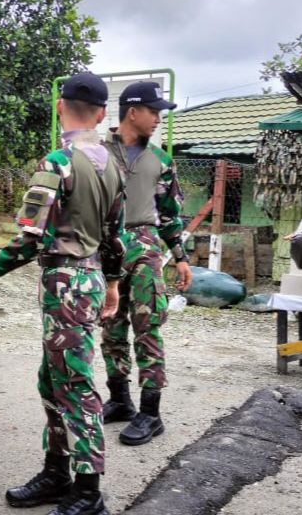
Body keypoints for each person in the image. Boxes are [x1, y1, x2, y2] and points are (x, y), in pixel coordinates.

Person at [0, 72, 125, 515]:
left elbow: (31, 237)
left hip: (66, 282)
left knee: (73, 383)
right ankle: (57, 471)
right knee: (52, 378)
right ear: (104, 114)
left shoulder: (58, 162)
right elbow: (114, 234)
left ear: (59, 107)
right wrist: (111, 283)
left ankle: (88, 493)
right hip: (85, 280)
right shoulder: (112, 165)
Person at [100, 81, 192, 446]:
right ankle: (119, 399)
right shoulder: (97, 154)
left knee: (147, 328)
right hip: (106, 249)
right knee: (110, 327)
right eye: (153, 111)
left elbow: (170, 215)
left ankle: (151, 413)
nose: (158, 118)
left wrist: (181, 259)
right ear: (132, 112)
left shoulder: (160, 161)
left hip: (145, 250)